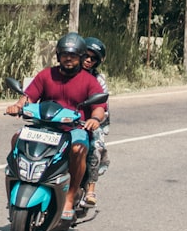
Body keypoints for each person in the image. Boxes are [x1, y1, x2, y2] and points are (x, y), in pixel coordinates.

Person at [6, 32, 107, 221]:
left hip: (74, 129)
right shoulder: (46, 75)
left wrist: (95, 119)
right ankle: (16, 179)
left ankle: (70, 197)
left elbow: (99, 106)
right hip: (43, 126)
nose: (68, 59)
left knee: (78, 149)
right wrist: (18, 106)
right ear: (58, 56)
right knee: (16, 138)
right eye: (64, 54)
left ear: (80, 57)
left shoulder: (89, 81)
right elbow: (29, 96)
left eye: (73, 55)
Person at [82, 37, 110, 207]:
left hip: (89, 121)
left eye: (93, 58)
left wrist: (95, 119)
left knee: (95, 147)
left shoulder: (98, 80)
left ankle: (91, 188)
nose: (88, 60)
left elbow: (103, 106)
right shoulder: (65, 71)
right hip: (62, 119)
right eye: (85, 55)